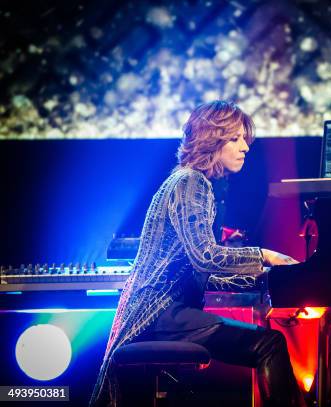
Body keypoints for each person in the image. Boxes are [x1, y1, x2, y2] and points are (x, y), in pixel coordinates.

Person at [91, 100, 306, 407]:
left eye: (245, 139)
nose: (245, 147)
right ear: (212, 141)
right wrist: (265, 256)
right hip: (161, 314)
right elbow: (205, 255)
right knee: (269, 344)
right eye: (235, 139)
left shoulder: (186, 180)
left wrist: (259, 280)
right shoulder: (192, 182)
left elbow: (197, 266)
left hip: (163, 312)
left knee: (265, 341)